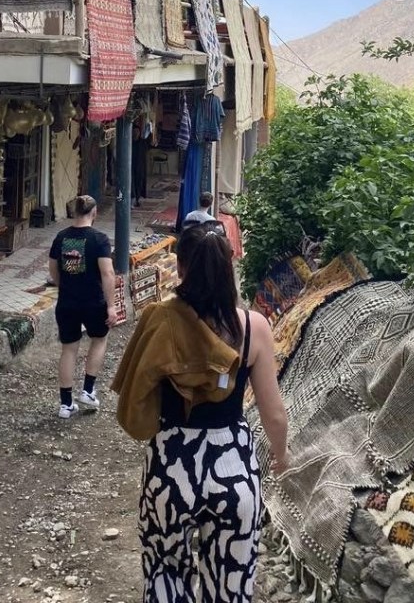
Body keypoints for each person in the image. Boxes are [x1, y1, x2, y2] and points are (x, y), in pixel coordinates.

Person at [111, 225, 290, 603]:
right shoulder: (253, 327)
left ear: (180, 267)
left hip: (172, 466)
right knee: (231, 583)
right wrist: (281, 455)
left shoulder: (160, 321)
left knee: (164, 571)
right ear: (229, 267)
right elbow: (274, 413)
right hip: (233, 468)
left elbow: (135, 389)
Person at [48, 194, 118, 419]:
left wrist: (64, 286)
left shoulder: (61, 237)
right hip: (93, 301)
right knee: (99, 340)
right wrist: (111, 306)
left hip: (67, 301)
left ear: (74, 212)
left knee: (68, 349)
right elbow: (107, 273)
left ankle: (66, 404)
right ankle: (88, 390)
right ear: (94, 213)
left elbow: (52, 268)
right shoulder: (99, 239)